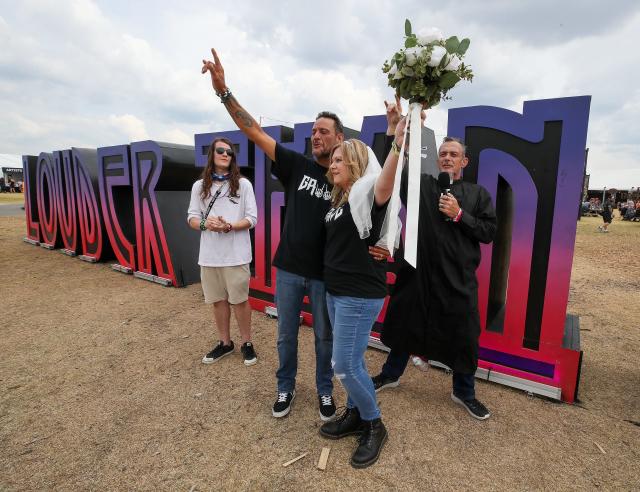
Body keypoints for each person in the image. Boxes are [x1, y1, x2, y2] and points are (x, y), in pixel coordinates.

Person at [201, 48, 340, 420]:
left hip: (327, 273)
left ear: (339, 138)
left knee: (325, 337)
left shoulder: (347, 179)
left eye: (323, 131)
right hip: (291, 270)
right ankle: (285, 387)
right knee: (285, 335)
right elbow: (253, 130)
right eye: (313, 131)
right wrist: (224, 91)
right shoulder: (297, 165)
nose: (315, 136)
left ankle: (325, 391)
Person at [371, 136, 497, 420]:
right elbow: (396, 173)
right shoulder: (424, 186)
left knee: (464, 335)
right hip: (419, 276)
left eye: (454, 154)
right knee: (407, 325)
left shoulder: (478, 194)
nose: (448, 158)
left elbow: (488, 233)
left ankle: (464, 392)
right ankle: (390, 374)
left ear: (464, 162)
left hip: (457, 279)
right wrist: (396, 135)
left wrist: (460, 214)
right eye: (443, 154)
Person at [318, 124, 404, 467]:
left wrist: (397, 143)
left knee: (344, 364)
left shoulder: (368, 194)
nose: (332, 164)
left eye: (340, 159)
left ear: (355, 163)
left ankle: (374, 424)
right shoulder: (341, 199)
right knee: (352, 360)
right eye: (332, 160)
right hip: (336, 292)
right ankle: (354, 415)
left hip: (358, 294)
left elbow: (386, 181)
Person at [187, 138, 259, 366]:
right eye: (221, 150)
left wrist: (229, 226)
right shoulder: (199, 186)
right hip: (209, 255)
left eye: (229, 151)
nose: (225, 154)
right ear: (212, 154)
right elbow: (192, 217)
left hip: (236, 254)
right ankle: (225, 343)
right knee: (218, 300)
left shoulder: (243, 184)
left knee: (240, 300)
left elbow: (252, 218)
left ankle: (247, 342)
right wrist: (206, 224)